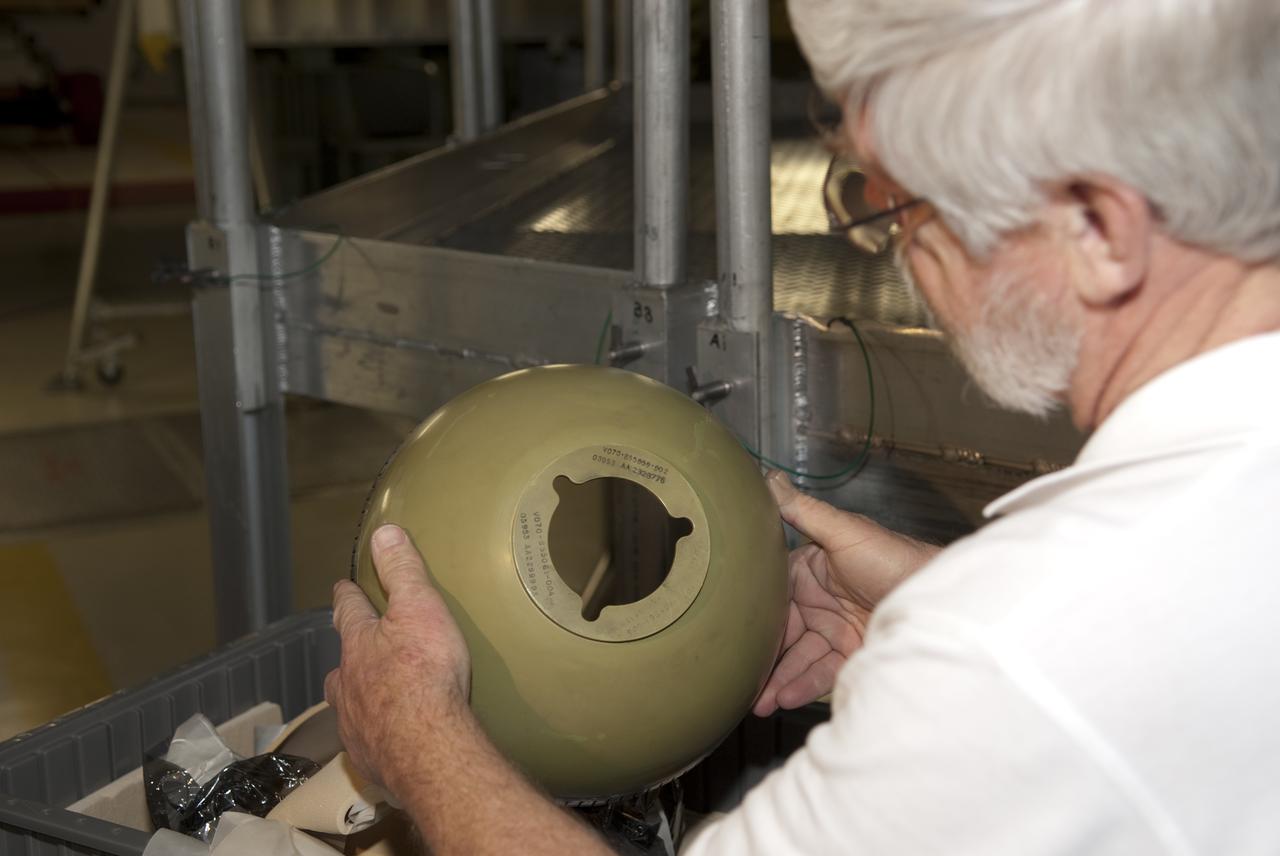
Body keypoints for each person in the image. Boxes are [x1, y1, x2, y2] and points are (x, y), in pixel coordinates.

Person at [325, 0, 1280, 852]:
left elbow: (1068, 661)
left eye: (903, 211)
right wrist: (937, 616)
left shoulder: (1021, 649)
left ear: (1100, 230)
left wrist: (421, 744)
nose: (905, 264)